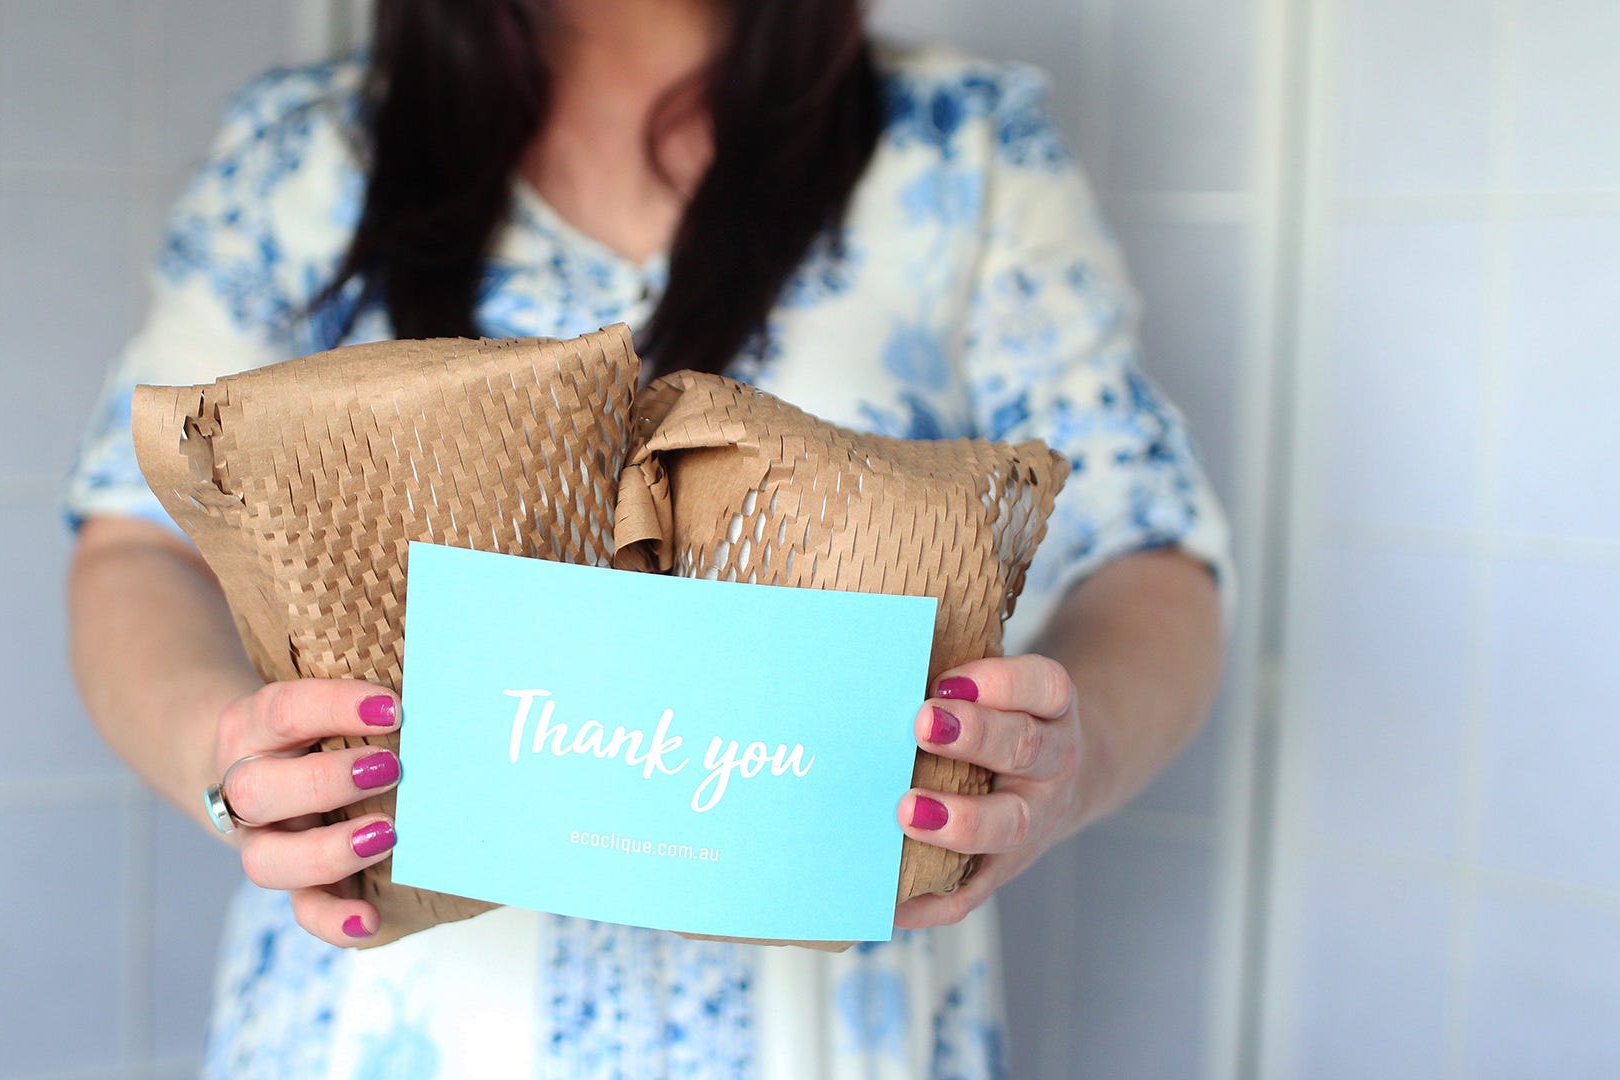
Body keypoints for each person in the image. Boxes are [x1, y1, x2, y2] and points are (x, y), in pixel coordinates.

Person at [64, 1, 1228, 1075]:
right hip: (385, 1029)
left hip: (829, 1035)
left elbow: (1148, 549)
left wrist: (1061, 773)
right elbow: (136, 541)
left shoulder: (960, 150)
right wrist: (230, 763)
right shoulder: (304, 157)